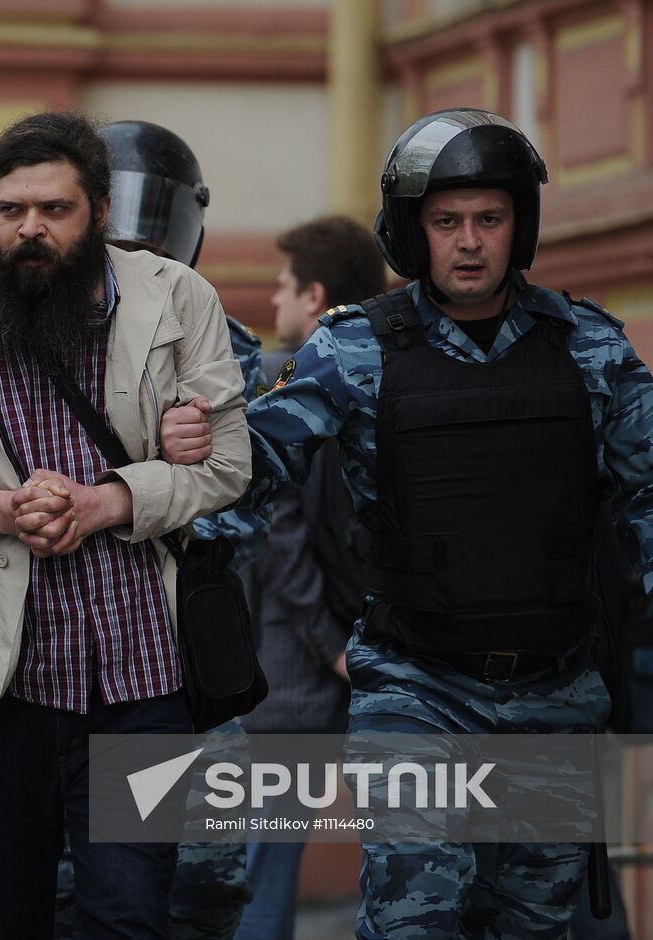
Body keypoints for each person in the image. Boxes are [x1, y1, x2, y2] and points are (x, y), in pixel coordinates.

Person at [171, 107, 653, 938]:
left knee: (534, 925)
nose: (469, 242)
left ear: (520, 226)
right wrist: (178, 530)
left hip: (555, 695)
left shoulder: (586, 350)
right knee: (415, 917)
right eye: (446, 222)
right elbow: (251, 472)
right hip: (415, 690)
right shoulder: (356, 350)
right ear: (411, 231)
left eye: (489, 220)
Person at [0, 111, 252, 939]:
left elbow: (227, 466)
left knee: (129, 918)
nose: (29, 229)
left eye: (54, 210)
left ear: (102, 212)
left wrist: (107, 500)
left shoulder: (181, 300)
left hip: (143, 681)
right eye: (12, 210)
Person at [50, 117, 265, 940]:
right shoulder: (18, 343)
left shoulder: (227, 353)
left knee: (196, 900)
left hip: (190, 678)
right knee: (70, 903)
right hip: (65, 673)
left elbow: (247, 500)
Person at [230, 215, 384, 940]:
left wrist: (326, 645)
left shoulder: (275, 380)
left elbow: (277, 535)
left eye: (284, 288)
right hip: (384, 655)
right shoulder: (392, 373)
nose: (274, 304)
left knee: (263, 864)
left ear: (316, 295)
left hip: (296, 667)